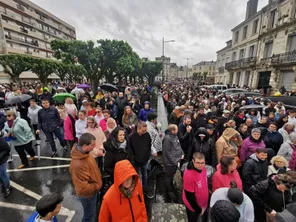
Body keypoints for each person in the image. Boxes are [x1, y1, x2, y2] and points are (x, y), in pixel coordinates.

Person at [70, 133, 102, 222]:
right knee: (89, 217)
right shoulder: (78, 164)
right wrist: (97, 186)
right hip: (88, 195)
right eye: (92, 145)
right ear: (84, 146)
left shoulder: (86, 153)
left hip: (92, 192)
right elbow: (82, 188)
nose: (95, 146)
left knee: (91, 214)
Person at [182, 152, 209, 222]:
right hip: (193, 208)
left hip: (203, 203)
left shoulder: (203, 168)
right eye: (198, 162)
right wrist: (199, 210)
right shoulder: (188, 175)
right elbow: (189, 197)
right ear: (193, 161)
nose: (200, 165)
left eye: (202, 162)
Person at [129, 121, 154, 189]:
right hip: (136, 161)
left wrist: (148, 155)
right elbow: (130, 150)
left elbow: (149, 145)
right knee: (138, 176)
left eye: (146, 130)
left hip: (145, 160)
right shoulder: (131, 137)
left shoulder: (147, 135)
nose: (145, 132)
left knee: (145, 175)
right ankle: (139, 188)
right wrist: (133, 159)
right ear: (138, 129)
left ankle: (145, 187)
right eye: (143, 130)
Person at [162, 124, 184, 202]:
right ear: (172, 131)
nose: (177, 131)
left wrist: (182, 153)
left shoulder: (175, 136)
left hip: (175, 161)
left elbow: (178, 145)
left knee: (172, 175)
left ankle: (170, 185)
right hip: (170, 163)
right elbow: (167, 152)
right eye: (176, 129)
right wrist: (174, 161)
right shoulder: (167, 139)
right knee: (168, 176)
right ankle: (169, 190)